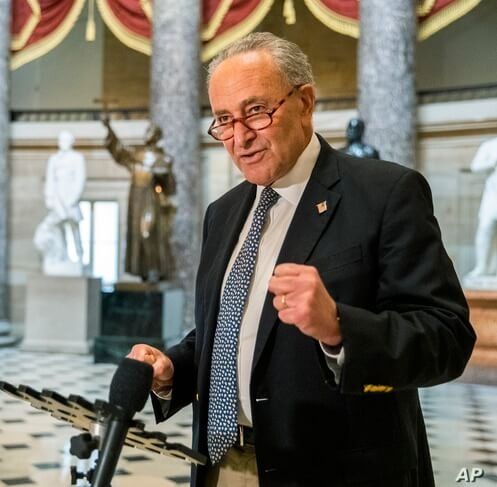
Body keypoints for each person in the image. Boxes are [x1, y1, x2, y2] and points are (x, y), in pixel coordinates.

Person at [128, 33, 474, 487]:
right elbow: (235, 327)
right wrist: (176, 367)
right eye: (224, 121)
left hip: (336, 472)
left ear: (305, 102)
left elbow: (447, 339)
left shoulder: (385, 194)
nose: (240, 137)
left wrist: (339, 328)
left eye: (256, 112)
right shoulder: (223, 212)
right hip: (220, 466)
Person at [102, 118, 176, 282]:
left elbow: (171, 187)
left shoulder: (164, 159)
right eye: (147, 131)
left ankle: (156, 269)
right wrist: (109, 128)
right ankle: (142, 270)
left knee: (148, 233)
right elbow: (119, 151)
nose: (148, 134)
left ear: (157, 136)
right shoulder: (137, 155)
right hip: (136, 199)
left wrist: (162, 176)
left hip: (152, 198)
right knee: (136, 235)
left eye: (151, 132)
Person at [33, 130, 86, 275]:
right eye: (61, 140)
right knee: (57, 229)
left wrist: (71, 199)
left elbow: (80, 180)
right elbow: (50, 179)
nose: (63, 143)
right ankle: (60, 257)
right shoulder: (54, 159)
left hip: (70, 197)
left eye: (66, 140)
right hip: (57, 198)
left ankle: (80, 256)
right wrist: (50, 198)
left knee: (74, 228)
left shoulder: (77, 158)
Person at [465, 137, 497, 279]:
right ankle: (482, 266)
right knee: (485, 229)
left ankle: (492, 268)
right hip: (492, 196)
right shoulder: (489, 145)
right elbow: (475, 166)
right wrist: (492, 162)